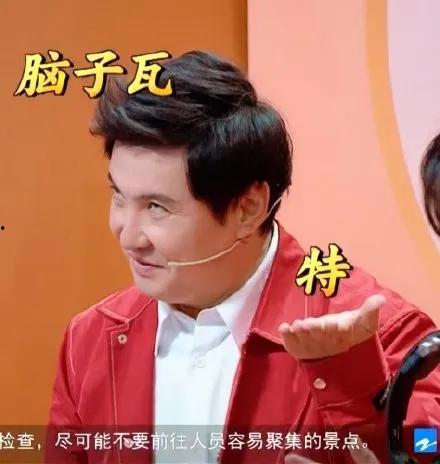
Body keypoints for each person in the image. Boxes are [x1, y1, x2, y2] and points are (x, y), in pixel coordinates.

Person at [45, 50, 440, 464]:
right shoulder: (89, 339)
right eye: (119, 197)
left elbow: (425, 448)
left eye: (156, 208)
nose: (127, 235)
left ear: (248, 209)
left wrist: (352, 383)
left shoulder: (377, 333)